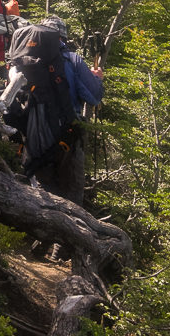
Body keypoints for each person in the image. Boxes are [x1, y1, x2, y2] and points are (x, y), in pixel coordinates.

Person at [33, 16, 103, 207]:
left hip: (35, 136)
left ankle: (44, 231)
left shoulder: (25, 60)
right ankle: (70, 232)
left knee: (43, 193)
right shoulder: (72, 60)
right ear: (62, 37)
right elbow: (94, 96)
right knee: (71, 195)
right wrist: (97, 78)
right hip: (68, 136)